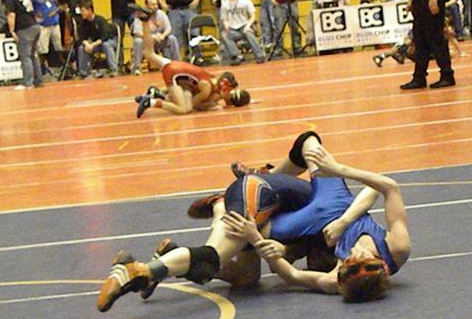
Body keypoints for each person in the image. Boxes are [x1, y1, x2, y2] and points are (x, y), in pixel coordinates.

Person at [222, 144, 411, 302]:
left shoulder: (334, 280)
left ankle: (220, 204)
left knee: (245, 224)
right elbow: (389, 187)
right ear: (381, 264)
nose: (355, 251)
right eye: (363, 256)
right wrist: (338, 170)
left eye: (349, 259)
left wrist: (255, 238)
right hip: (338, 206)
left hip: (313, 226)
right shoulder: (397, 248)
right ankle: (270, 174)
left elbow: (292, 276)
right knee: (311, 144)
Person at [134, 61, 248, 116]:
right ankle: (152, 101)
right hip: (180, 79)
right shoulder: (210, 89)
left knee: (184, 96)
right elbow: (194, 105)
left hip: (182, 78)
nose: (230, 96)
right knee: (184, 109)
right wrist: (210, 107)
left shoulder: (215, 84)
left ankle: (156, 93)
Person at [4, 0, 43, 89]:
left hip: (24, 28)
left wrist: (12, 31)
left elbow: (11, 15)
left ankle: (28, 82)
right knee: (33, 55)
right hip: (35, 26)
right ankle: (38, 80)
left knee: (25, 56)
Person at [218, 0, 265, 65]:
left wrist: (248, 25)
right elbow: (224, 18)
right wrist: (226, 24)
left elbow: (253, 16)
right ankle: (237, 56)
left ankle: (260, 55)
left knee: (248, 32)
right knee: (224, 35)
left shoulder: (245, 1)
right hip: (233, 29)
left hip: (244, 26)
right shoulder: (225, 4)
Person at [29, 0, 63, 73]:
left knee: (59, 47)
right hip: (43, 25)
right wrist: (34, 16)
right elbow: (28, 9)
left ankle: (64, 67)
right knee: (42, 50)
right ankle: (42, 70)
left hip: (55, 23)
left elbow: (57, 3)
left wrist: (59, 9)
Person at [104, 0, 135, 69]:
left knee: (137, 36)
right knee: (118, 39)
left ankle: (135, 62)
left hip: (131, 11)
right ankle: (120, 65)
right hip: (117, 13)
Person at [76, 0, 119, 77]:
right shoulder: (82, 23)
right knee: (81, 48)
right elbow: (82, 37)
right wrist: (87, 44)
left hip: (108, 41)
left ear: (90, 10)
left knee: (106, 45)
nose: (82, 13)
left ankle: (113, 69)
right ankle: (83, 72)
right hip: (95, 44)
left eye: (83, 11)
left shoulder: (100, 20)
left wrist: (93, 45)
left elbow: (105, 36)